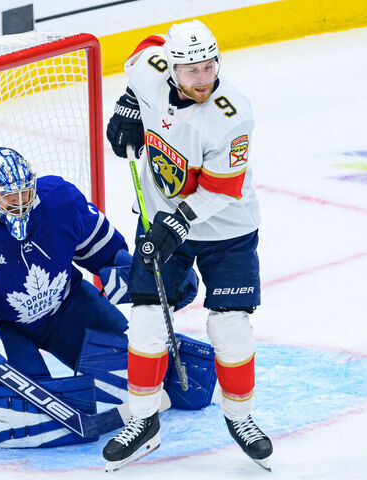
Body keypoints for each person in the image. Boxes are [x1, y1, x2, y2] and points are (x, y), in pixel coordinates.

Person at [0, 147, 207, 449]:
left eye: (26, 193)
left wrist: (151, 278)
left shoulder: (60, 201)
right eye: (9, 198)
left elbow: (105, 253)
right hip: (5, 329)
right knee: (35, 407)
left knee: (127, 370)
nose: (21, 203)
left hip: (67, 307)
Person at [103, 20, 273, 471]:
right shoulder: (150, 71)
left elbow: (220, 191)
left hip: (227, 229)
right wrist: (128, 104)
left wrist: (175, 222)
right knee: (144, 321)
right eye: (192, 69)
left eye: (209, 66)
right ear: (172, 68)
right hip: (161, 217)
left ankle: (240, 417)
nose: (203, 77)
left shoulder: (231, 115)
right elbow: (139, 49)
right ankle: (143, 421)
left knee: (230, 326)